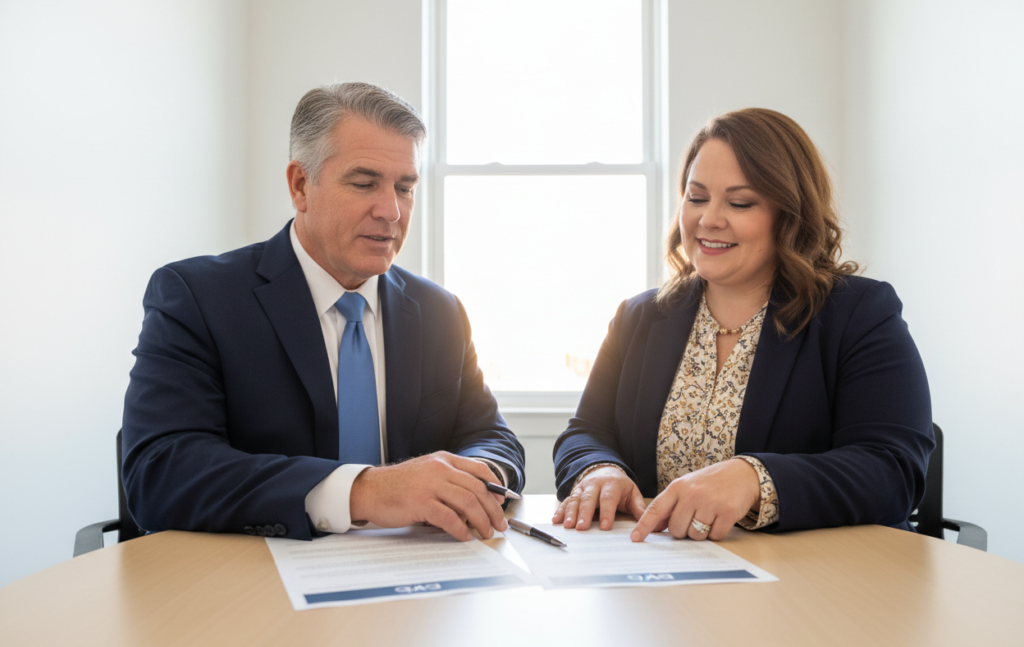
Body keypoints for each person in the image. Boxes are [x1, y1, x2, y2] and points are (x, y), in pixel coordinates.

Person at [122, 82, 524, 543]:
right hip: (254, 586)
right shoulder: (198, 297)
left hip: (416, 582)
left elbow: (493, 437)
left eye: (405, 187)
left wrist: (474, 477)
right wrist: (366, 492)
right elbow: (161, 472)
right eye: (364, 183)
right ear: (300, 185)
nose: (391, 211)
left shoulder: (439, 311)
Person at [552, 108, 932, 542]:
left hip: (814, 583)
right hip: (666, 582)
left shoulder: (859, 313)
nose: (708, 219)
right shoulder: (639, 318)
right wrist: (600, 470)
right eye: (696, 198)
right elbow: (586, 432)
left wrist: (754, 478)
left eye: (740, 202)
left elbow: (893, 469)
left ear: (790, 213)